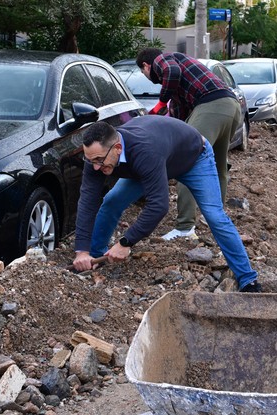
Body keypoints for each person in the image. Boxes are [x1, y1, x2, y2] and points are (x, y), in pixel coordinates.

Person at [72, 116, 262, 292]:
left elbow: (159, 205)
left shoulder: (144, 150)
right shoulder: (97, 156)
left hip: (194, 159)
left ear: (118, 148)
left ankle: (247, 278)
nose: (95, 166)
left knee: (215, 216)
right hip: (153, 164)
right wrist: (82, 251)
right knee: (112, 202)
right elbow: (87, 202)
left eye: (99, 161)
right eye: (90, 160)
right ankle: (95, 258)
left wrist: (125, 242)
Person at [135, 48, 243, 241]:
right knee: (218, 166)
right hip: (231, 106)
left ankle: (185, 227)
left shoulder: (162, 59)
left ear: (146, 65)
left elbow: (172, 71)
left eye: (143, 73)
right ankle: (217, 221)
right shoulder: (179, 90)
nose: (146, 76)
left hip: (211, 105)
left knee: (187, 163)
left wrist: (160, 103)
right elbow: (180, 123)